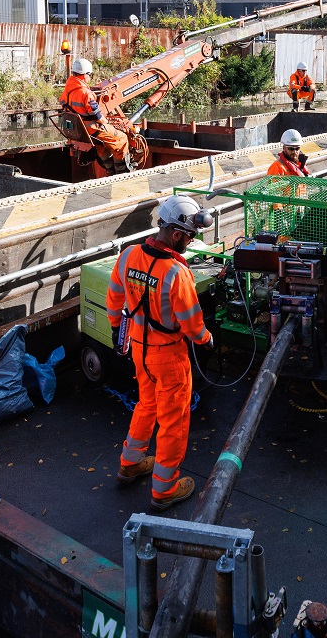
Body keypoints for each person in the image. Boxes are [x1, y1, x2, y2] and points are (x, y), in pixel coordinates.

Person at [107, 194, 215, 511]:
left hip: (139, 350)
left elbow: (114, 297)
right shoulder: (176, 274)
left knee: (147, 404)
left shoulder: (128, 256)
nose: (189, 242)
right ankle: (164, 489)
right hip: (168, 357)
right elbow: (192, 323)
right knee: (173, 421)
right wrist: (206, 339)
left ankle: (130, 462)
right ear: (177, 233)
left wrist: (117, 327)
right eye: (190, 236)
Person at [60, 57, 130, 170]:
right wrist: (107, 122)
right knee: (121, 139)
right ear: (84, 75)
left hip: (77, 131)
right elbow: (97, 116)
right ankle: (121, 171)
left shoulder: (66, 93)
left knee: (101, 146)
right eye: (89, 75)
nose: (89, 77)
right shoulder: (86, 94)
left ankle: (110, 169)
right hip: (90, 129)